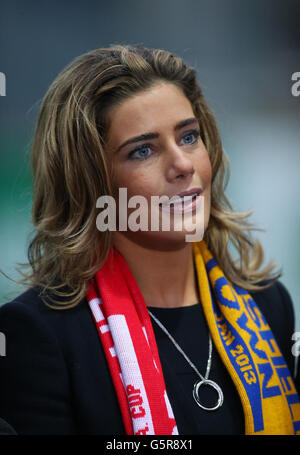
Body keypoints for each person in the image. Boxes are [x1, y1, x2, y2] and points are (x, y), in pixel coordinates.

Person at [0, 44, 299, 436]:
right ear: (91, 182)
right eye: (143, 150)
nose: (182, 164)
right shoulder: (39, 334)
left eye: (189, 137)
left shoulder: (268, 303)